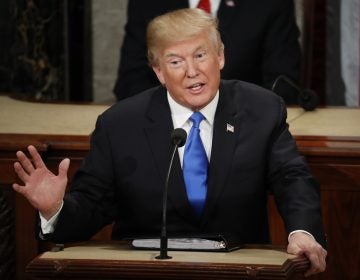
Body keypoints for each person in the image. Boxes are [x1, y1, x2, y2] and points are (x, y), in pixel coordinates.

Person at [13, 8, 326, 277]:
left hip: (239, 272)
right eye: (175, 62)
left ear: (220, 57)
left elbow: (292, 179)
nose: (192, 71)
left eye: (200, 55)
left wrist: (302, 232)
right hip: (144, 275)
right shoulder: (120, 124)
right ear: (159, 72)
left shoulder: (261, 109)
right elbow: (93, 206)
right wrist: (56, 208)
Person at [114, 0, 302, 104]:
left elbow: (283, 82)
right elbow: (131, 81)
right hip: (166, 126)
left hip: (244, 126)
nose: (192, 71)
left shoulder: (270, 4)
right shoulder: (146, 3)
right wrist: (176, 113)